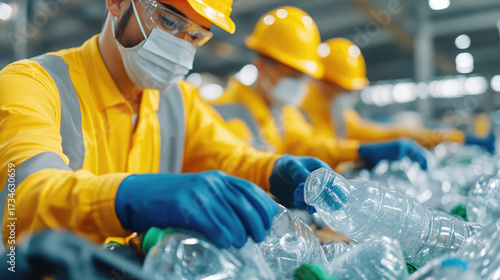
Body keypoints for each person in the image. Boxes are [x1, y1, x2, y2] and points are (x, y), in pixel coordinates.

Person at [0, 0, 331, 250]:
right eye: (169, 20)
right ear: (116, 3)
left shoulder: (179, 101)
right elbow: (25, 199)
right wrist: (127, 198)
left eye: (196, 35)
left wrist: (275, 170)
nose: (181, 46)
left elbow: (229, 157)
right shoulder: (32, 84)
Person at [211, 7, 427, 170]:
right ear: (260, 66)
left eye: (303, 76)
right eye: (293, 75)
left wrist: (357, 151)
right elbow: (240, 168)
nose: (300, 85)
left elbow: (308, 144)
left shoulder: (283, 113)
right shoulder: (227, 111)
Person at [301, 38, 495, 153]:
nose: (350, 95)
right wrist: (359, 151)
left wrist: (457, 138)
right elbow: (309, 148)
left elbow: (390, 133)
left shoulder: (340, 117)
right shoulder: (300, 108)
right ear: (322, 82)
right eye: (345, 89)